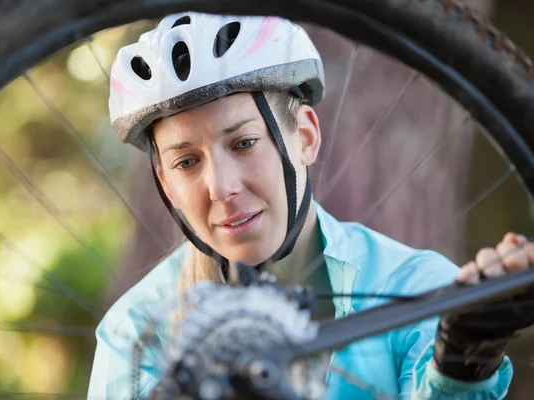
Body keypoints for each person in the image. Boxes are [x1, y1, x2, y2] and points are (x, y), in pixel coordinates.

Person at [87, 12, 534, 399]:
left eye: (243, 143)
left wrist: (462, 359)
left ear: (305, 136)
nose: (220, 188)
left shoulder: (419, 288)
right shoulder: (136, 329)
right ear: (165, 183)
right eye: (186, 162)